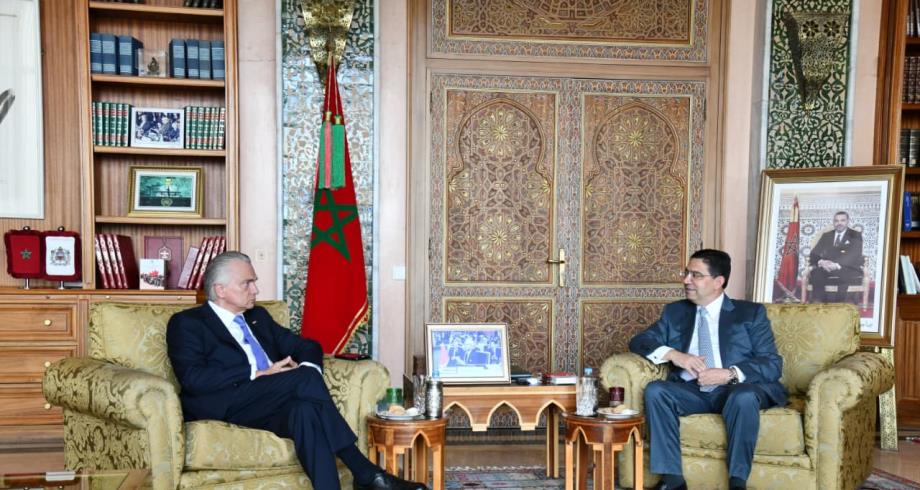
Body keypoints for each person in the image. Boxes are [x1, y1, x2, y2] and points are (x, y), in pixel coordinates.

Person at [166, 251, 427, 490]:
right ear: (220, 290)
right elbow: (193, 378)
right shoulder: (187, 323)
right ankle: (365, 472)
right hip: (225, 402)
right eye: (247, 283)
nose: (255, 289)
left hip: (267, 402)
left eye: (254, 282)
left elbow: (307, 346)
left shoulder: (258, 317)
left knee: (305, 411)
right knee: (303, 380)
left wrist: (308, 368)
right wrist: (256, 373)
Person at [628, 249, 786, 490]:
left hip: (737, 390)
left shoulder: (750, 313)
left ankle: (737, 483)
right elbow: (639, 341)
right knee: (656, 390)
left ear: (718, 281)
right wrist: (675, 355)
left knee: (743, 397)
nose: (686, 280)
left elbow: (772, 363)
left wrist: (730, 374)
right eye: (686, 273)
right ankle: (673, 481)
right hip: (692, 390)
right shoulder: (675, 312)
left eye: (696, 275)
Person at [808, 211, 864, 303]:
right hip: (827, 267)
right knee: (816, 273)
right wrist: (821, 262)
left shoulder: (855, 235)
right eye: (836, 221)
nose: (839, 223)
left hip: (847, 267)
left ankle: (839, 305)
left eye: (842, 220)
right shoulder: (827, 235)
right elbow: (814, 253)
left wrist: (836, 265)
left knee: (845, 276)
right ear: (833, 222)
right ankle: (820, 303)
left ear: (847, 221)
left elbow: (854, 255)